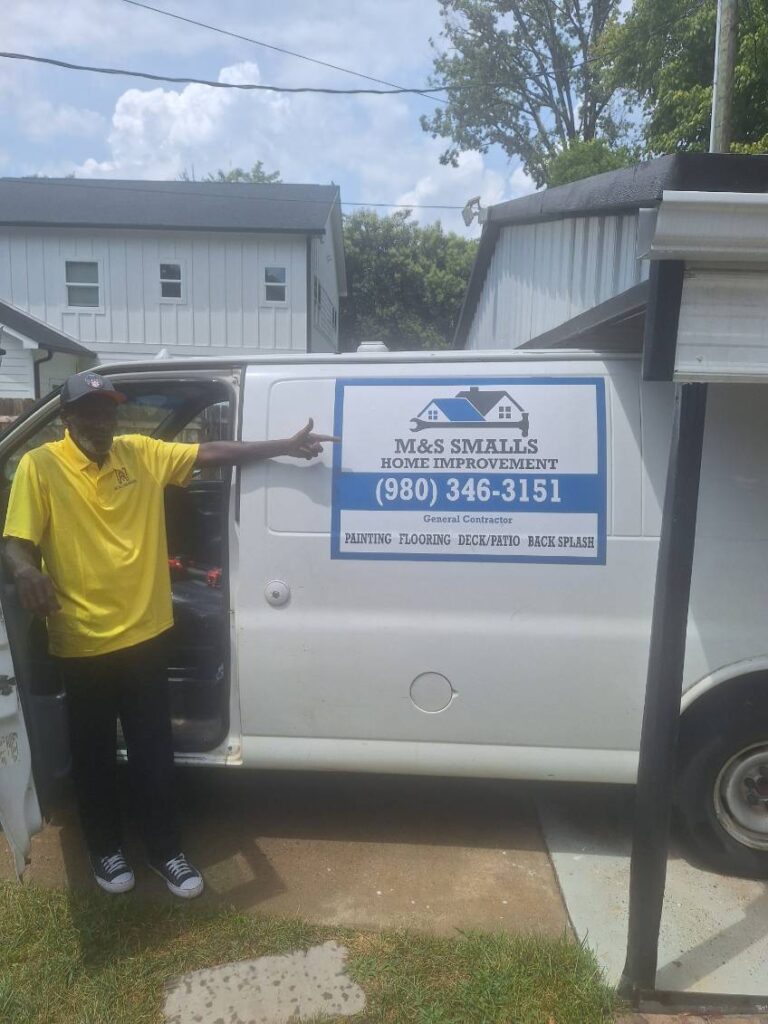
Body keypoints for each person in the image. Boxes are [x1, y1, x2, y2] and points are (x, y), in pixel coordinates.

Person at [2, 370, 337, 899]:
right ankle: (105, 849)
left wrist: (285, 445)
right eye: (90, 412)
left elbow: (211, 453)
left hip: (146, 635)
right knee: (92, 755)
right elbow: (16, 541)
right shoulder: (39, 468)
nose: (102, 420)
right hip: (81, 640)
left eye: (108, 410)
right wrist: (25, 572)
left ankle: (166, 850)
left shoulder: (137, 452)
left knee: (153, 751)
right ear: (66, 420)